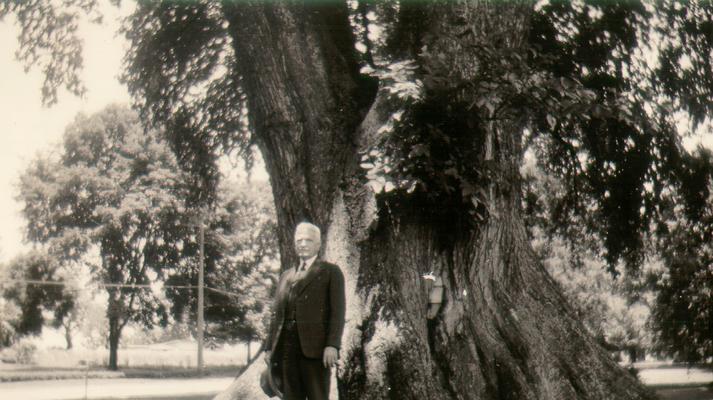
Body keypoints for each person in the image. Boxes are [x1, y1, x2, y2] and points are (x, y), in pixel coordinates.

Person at [263, 222, 346, 400]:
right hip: (287, 351)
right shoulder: (286, 276)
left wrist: (332, 345)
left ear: (318, 244)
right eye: (299, 240)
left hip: (316, 352)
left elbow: (337, 312)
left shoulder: (330, 272)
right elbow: (276, 314)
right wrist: (269, 347)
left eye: (308, 240)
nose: (302, 244)